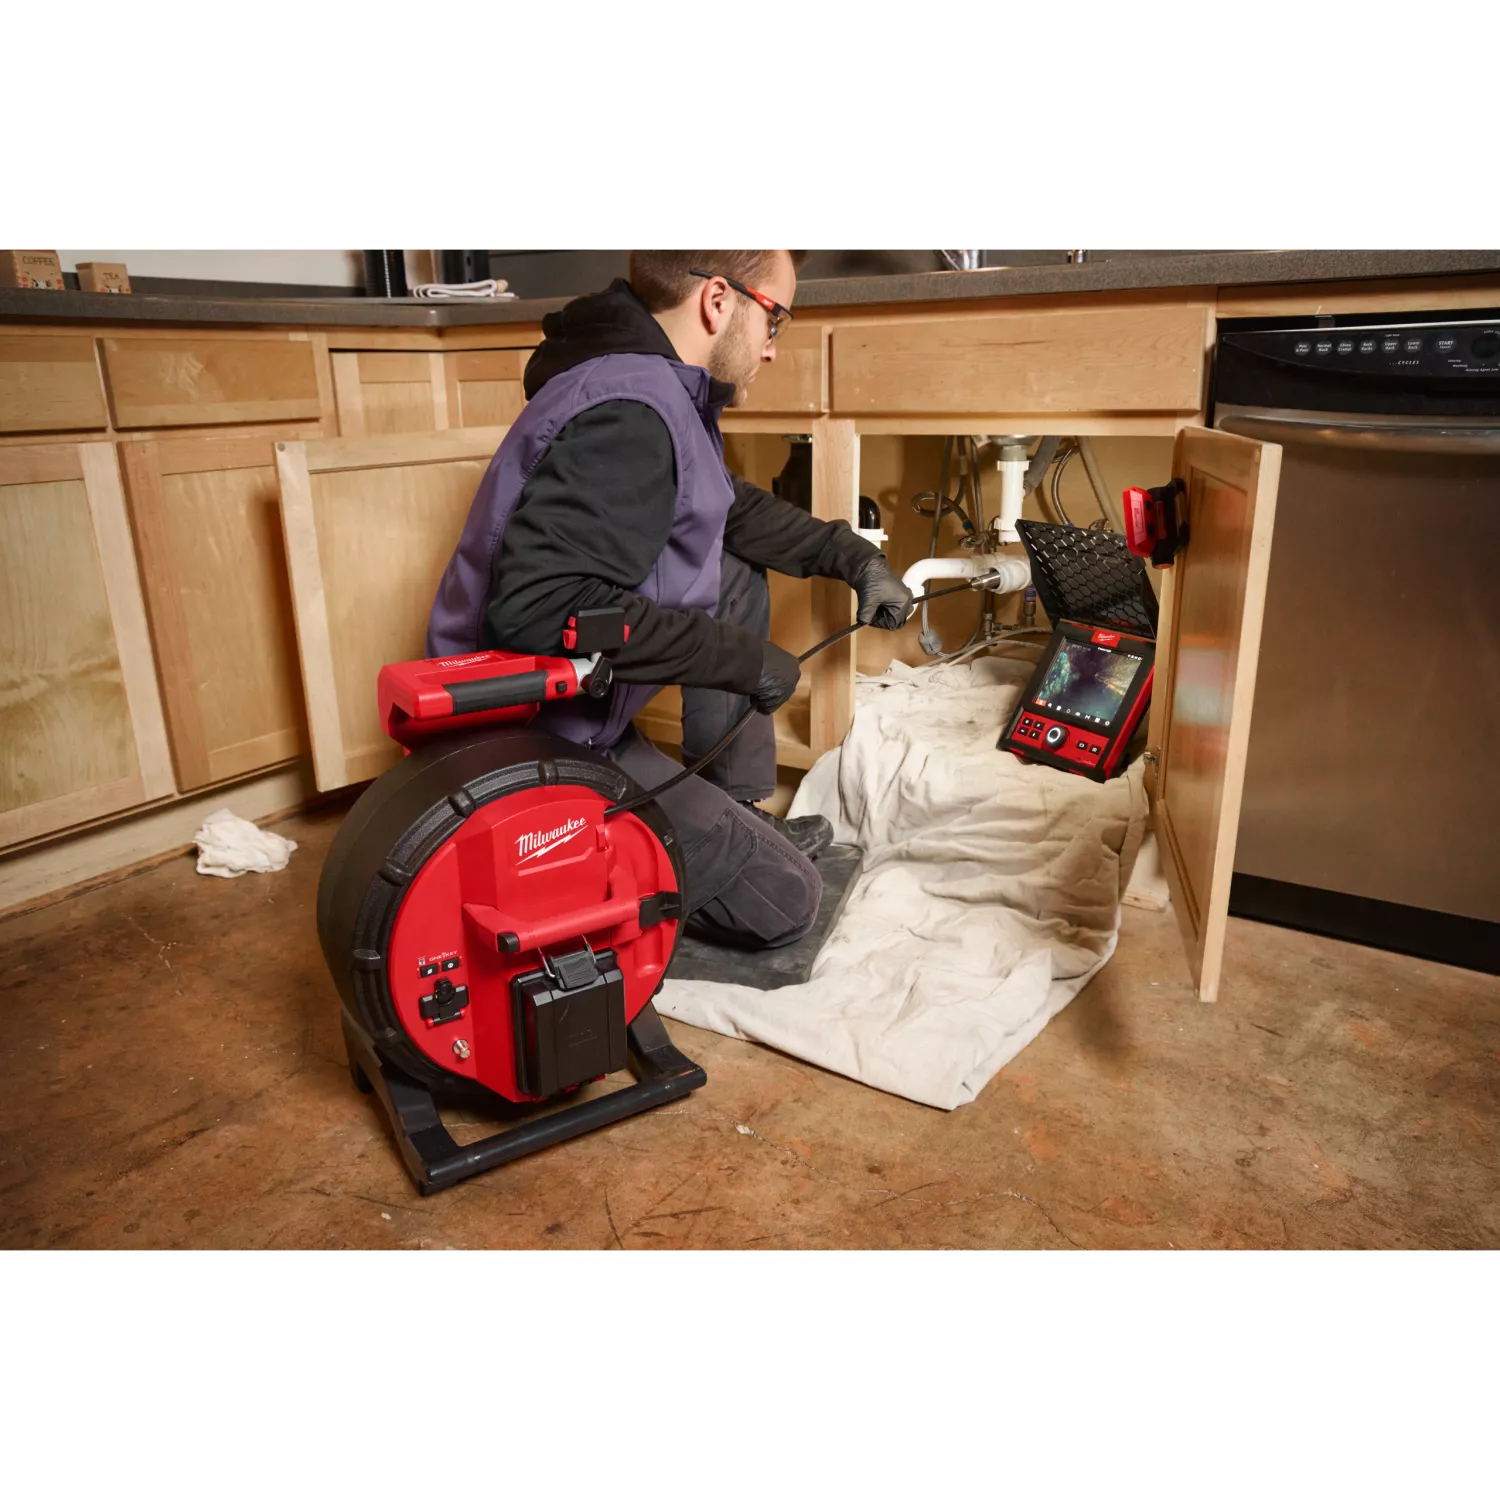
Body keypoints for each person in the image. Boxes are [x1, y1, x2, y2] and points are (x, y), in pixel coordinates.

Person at [427, 251, 914, 950]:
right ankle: (573, 894)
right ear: (718, 300)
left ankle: (730, 807)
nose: (772, 349)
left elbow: (726, 509)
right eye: (775, 318)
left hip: (582, 714)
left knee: (726, 558)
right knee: (783, 899)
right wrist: (743, 661)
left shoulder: (650, 382)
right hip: (528, 735)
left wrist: (854, 558)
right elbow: (538, 608)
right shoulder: (630, 412)